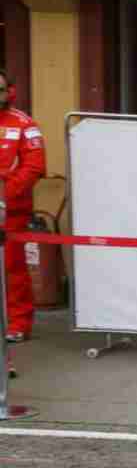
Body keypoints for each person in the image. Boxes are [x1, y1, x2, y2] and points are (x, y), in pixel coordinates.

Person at [0, 70, 46, 343]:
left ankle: (17, 324)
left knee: (12, 270)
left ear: (10, 92)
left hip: (10, 213)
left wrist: (5, 195)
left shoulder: (24, 124)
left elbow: (34, 167)